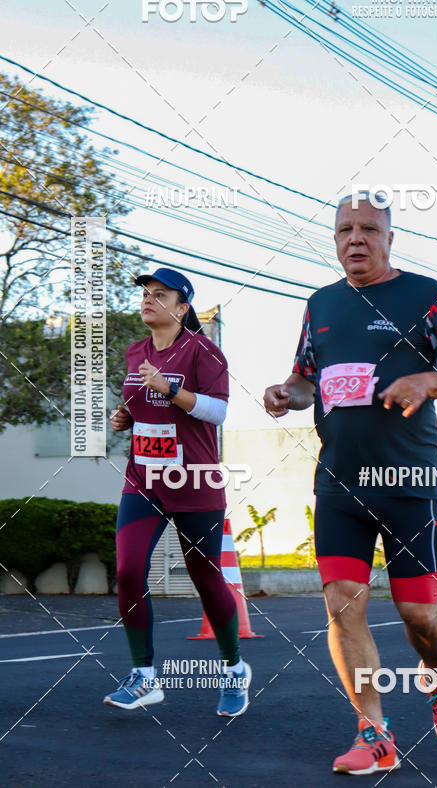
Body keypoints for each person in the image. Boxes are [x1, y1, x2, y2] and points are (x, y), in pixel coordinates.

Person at [263, 192, 437, 775]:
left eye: (368, 229)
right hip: (339, 481)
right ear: (335, 240)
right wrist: (288, 395)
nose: (355, 239)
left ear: (391, 238)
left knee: (419, 613)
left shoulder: (424, 295)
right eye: (344, 230)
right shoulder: (321, 305)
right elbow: (307, 379)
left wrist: (425, 381)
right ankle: (375, 733)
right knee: (343, 605)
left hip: (407, 479)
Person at [104, 267, 251, 715]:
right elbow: (140, 401)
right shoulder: (135, 351)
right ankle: (144, 676)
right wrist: (126, 417)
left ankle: (233, 670)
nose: (148, 299)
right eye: (145, 293)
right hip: (143, 480)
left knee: (206, 580)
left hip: (194, 481)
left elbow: (218, 411)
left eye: (160, 294)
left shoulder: (204, 352)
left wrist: (169, 390)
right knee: (129, 570)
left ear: (182, 307)